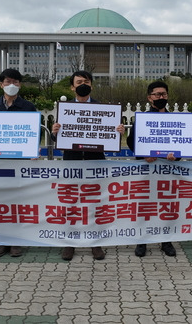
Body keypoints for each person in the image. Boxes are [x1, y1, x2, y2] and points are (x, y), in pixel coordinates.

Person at [51, 70, 125, 261]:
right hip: (72, 162)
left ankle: (95, 243)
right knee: (71, 203)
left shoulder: (103, 108)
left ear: (91, 85)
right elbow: (56, 138)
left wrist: (118, 131)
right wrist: (54, 132)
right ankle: (70, 243)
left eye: (86, 81)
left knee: (95, 203)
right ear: (72, 87)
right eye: (78, 82)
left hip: (95, 162)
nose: (82, 84)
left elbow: (110, 137)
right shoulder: (64, 109)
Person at [0, 68, 37, 258]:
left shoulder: (28, 107)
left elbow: (34, 134)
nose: (11, 85)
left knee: (17, 202)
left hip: (19, 163)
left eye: (15, 82)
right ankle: (1, 240)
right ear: (1, 84)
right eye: (7, 82)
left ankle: (16, 241)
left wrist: (33, 149)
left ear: (20, 84)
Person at [127, 81, 178, 258]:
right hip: (147, 169)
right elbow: (131, 141)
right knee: (144, 205)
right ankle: (141, 241)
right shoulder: (141, 119)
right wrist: (143, 155)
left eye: (164, 94)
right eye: (157, 95)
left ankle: (166, 241)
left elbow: (181, 144)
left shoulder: (175, 120)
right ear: (150, 98)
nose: (161, 97)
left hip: (167, 170)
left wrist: (175, 156)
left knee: (166, 206)